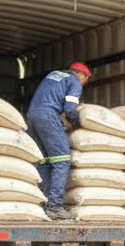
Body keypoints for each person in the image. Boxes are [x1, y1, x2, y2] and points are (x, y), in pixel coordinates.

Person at [26, 62, 92, 220]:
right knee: (62, 160)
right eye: (86, 80)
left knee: (45, 160)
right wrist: (75, 122)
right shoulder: (74, 81)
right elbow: (70, 108)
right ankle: (55, 206)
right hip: (48, 116)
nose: (84, 84)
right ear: (82, 75)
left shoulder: (53, 75)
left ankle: (44, 202)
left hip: (32, 116)